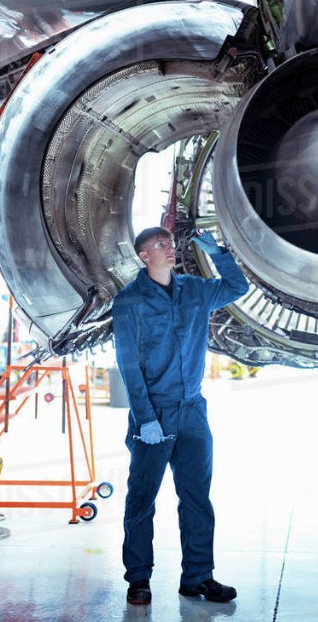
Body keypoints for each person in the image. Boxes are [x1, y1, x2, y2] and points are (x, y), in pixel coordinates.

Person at [111, 226, 249, 606]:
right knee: (141, 500)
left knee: (196, 499)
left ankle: (198, 577)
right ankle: (138, 578)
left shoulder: (195, 290)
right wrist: (145, 417)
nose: (169, 249)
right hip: (153, 413)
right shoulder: (129, 302)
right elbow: (129, 364)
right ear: (143, 256)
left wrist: (218, 253)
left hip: (192, 411)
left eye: (170, 243)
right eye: (159, 245)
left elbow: (238, 288)